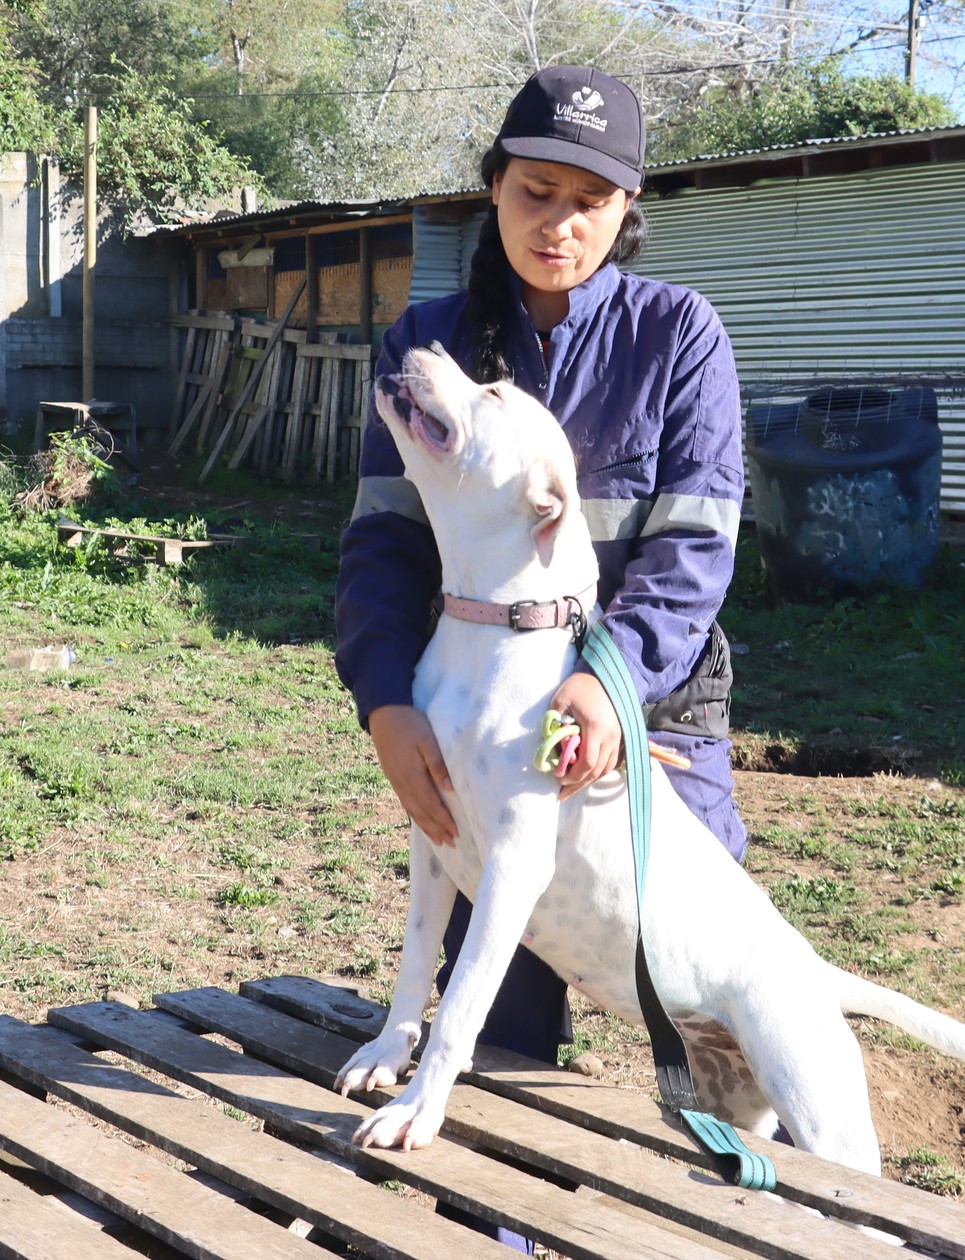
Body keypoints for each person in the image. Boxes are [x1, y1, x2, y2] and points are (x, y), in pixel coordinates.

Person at [334, 63, 747, 1078]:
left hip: (652, 719)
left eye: (588, 201)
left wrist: (612, 682)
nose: (558, 224)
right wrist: (385, 704)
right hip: (481, 719)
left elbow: (692, 546)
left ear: (625, 207)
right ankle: (510, 1238)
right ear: (493, 185)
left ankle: (721, 1216)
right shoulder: (428, 343)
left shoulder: (675, 335)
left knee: (695, 1011)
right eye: (535, 192)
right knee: (498, 1034)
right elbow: (382, 547)